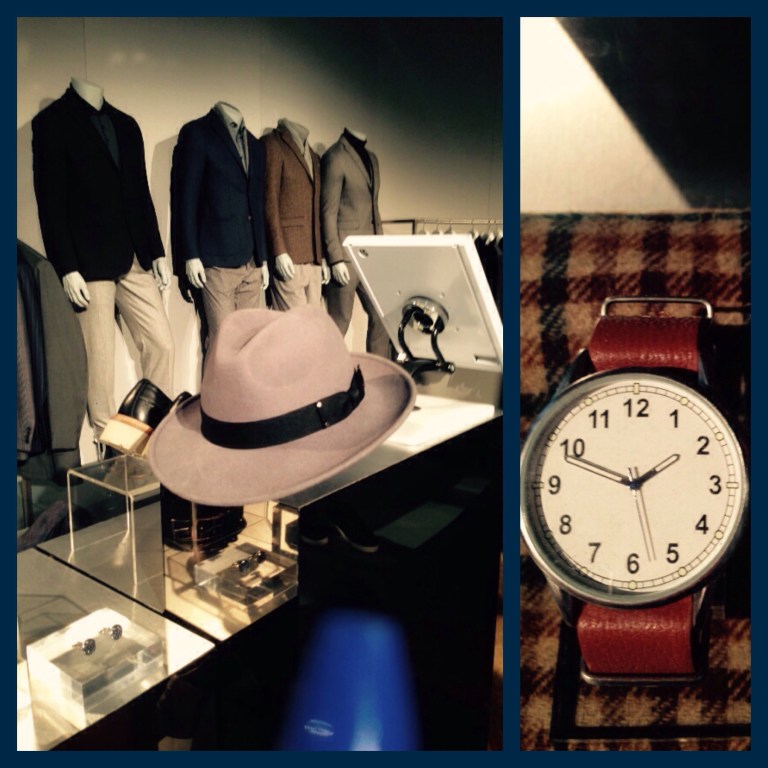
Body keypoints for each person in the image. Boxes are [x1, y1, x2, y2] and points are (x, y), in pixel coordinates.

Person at [32, 76, 174, 442]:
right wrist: (67, 267)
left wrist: (157, 251)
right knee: (100, 364)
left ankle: (156, 434)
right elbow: (50, 202)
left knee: (162, 343)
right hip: (88, 261)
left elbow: (140, 193)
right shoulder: (52, 123)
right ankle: (108, 446)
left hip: (134, 255)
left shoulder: (126, 124)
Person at [172, 102, 269, 351]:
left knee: (250, 345)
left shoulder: (255, 144)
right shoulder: (198, 133)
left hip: (251, 261)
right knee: (222, 343)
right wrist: (190, 255)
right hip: (216, 260)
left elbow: (258, 203)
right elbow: (186, 198)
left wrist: (263, 258)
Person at [321, 128, 390, 356]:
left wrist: (381, 248)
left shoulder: (372, 159)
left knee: (382, 315)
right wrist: (335, 258)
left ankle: (376, 371)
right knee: (339, 322)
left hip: (371, 255)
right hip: (345, 256)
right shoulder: (335, 157)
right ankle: (327, 372)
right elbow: (328, 213)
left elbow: (374, 207)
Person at [263, 118, 329, 310]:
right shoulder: (273, 145)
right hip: (288, 254)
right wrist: (279, 251)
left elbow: (317, 210)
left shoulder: (313, 155)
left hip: (313, 257)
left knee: (312, 323)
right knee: (292, 324)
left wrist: (322, 257)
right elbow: (270, 201)